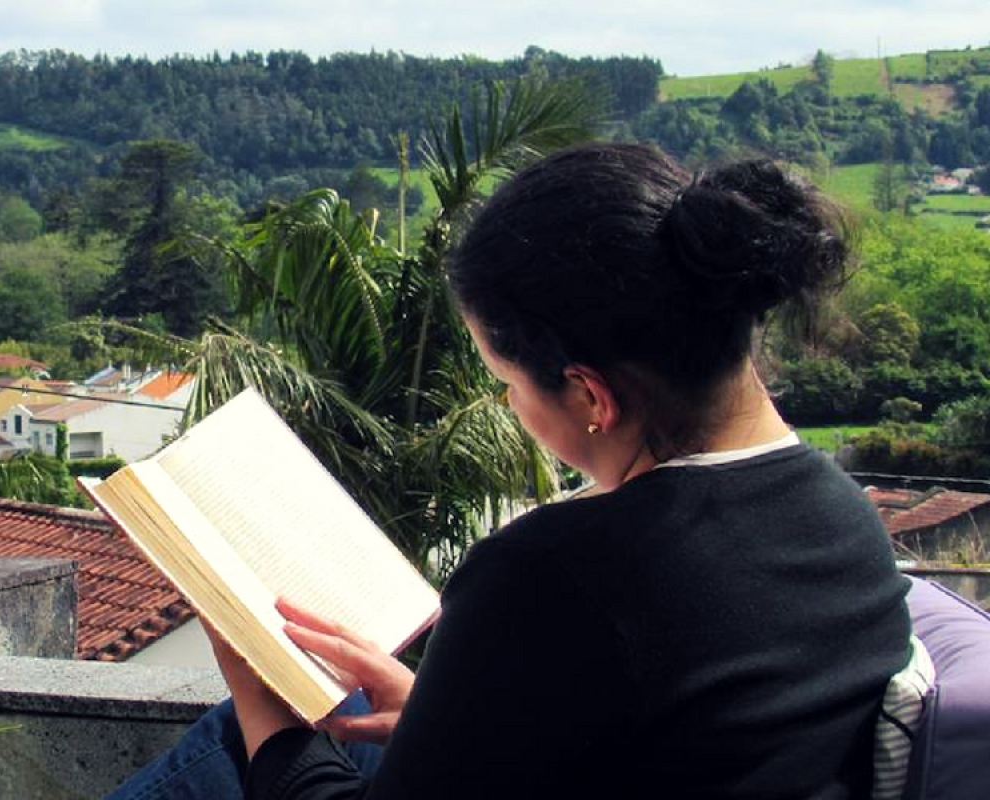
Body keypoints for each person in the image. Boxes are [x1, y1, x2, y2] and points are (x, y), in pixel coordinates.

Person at [106, 142, 912, 799]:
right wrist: (445, 714)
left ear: (591, 393)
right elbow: (691, 729)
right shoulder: (842, 517)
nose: (505, 400)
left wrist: (263, 702)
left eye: (508, 380)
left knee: (241, 739)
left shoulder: (562, 569)